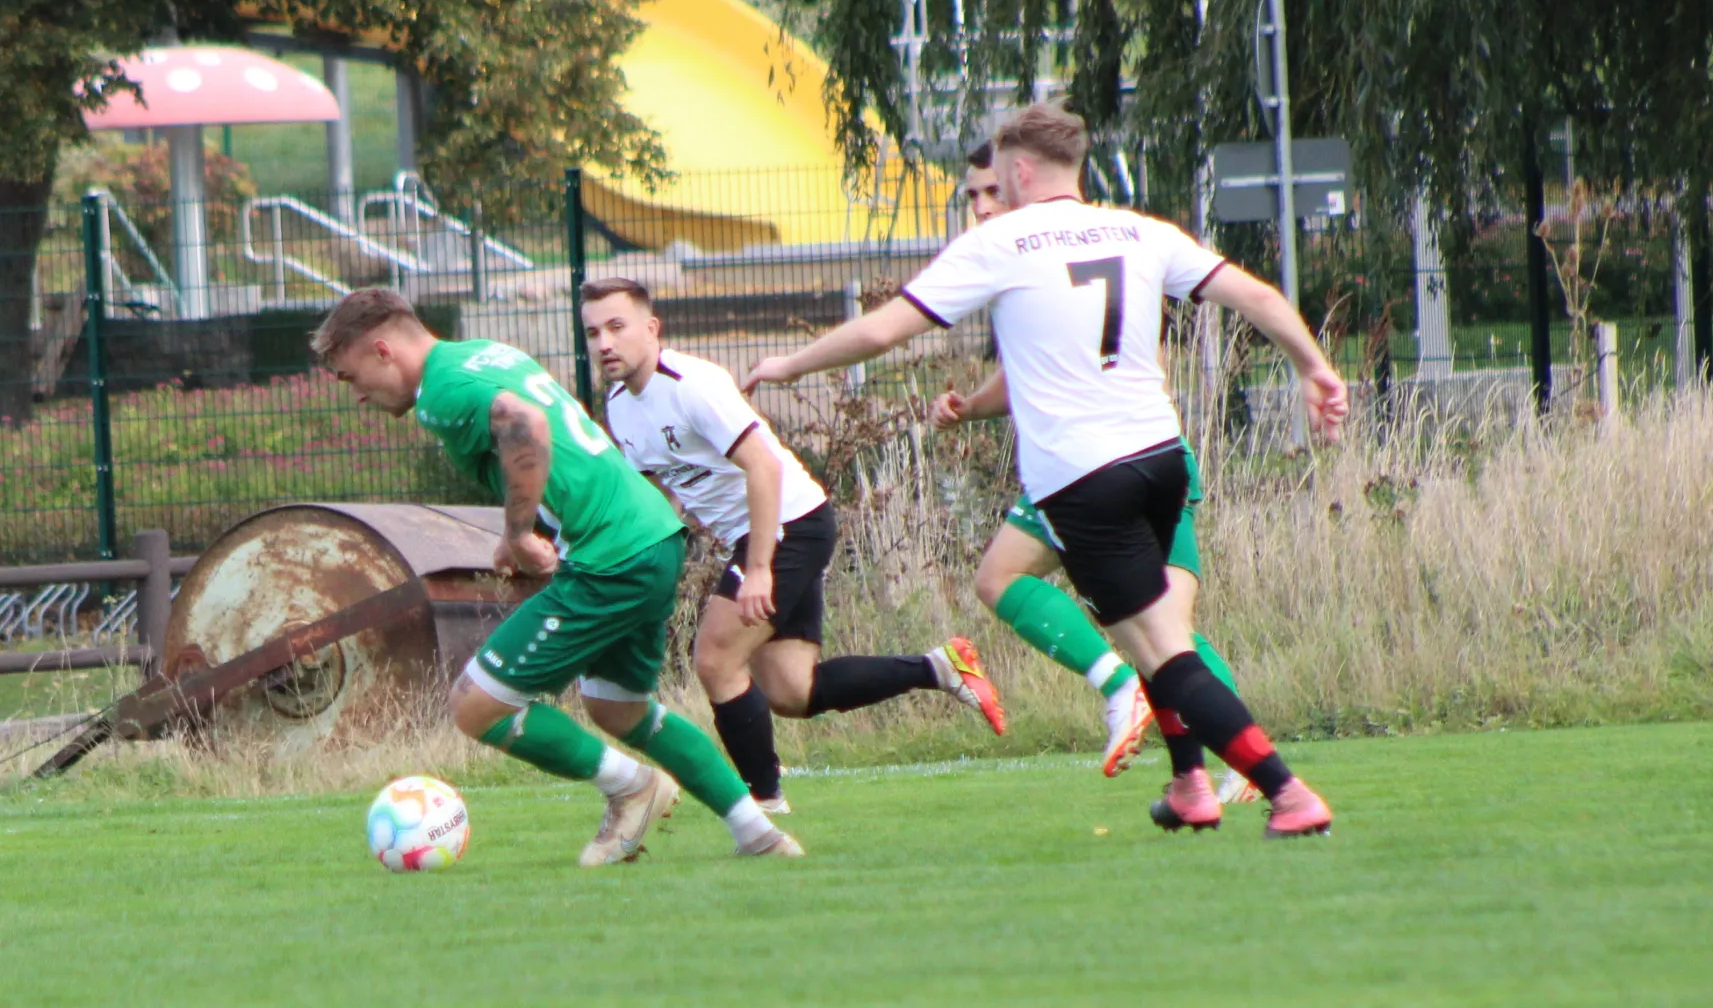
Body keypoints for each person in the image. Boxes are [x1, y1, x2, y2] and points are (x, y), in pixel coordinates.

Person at [745, 102, 1347, 838]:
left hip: (1084, 478)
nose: (992, 191)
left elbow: (882, 330)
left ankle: (1286, 791)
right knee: (1150, 632)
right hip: (1162, 459)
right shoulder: (1140, 230)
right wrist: (1313, 365)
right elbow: (1254, 294)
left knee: (1164, 650)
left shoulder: (1002, 242)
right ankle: (1190, 782)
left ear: (1022, 170)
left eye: (998, 177)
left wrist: (790, 364)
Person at [312, 287, 802, 863]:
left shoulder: (441, 390)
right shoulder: (482, 355)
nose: (358, 395)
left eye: (351, 377)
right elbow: (545, 442)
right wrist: (512, 531)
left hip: (611, 554)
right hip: (652, 537)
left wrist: (522, 534)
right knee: (618, 708)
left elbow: (525, 424)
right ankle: (759, 835)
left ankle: (633, 788)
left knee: (476, 704)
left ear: (382, 350)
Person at [582, 277, 1006, 812]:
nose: (605, 344)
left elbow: (764, 466)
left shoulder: (692, 384)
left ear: (651, 328)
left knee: (715, 660)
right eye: (593, 332)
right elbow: (662, 495)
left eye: (616, 327)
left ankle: (762, 806)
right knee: (791, 691)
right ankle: (940, 667)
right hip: (761, 535)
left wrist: (759, 567)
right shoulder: (620, 404)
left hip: (790, 525)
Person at [933, 143, 1261, 815]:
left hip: (1100, 462)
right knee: (1155, 624)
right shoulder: (1054, 247)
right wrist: (971, 406)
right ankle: (1222, 767)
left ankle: (1126, 691)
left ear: (1022, 181)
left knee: (1118, 615)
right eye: (971, 195)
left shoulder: (1031, 250)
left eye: (991, 190)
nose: (982, 206)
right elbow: (1032, 368)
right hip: (1130, 456)